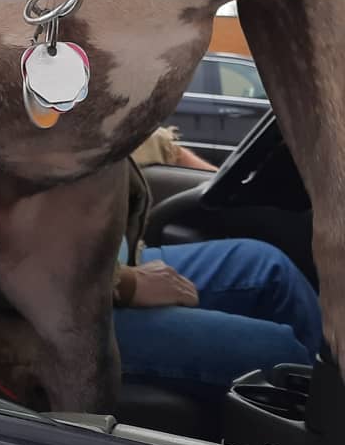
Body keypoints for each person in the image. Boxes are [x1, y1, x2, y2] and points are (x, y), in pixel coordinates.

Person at [115, 128, 322, 399]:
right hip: (66, 300)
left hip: (106, 259)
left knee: (268, 269)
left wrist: (173, 152)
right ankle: (325, 425)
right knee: (280, 354)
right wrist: (127, 284)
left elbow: (99, 127)